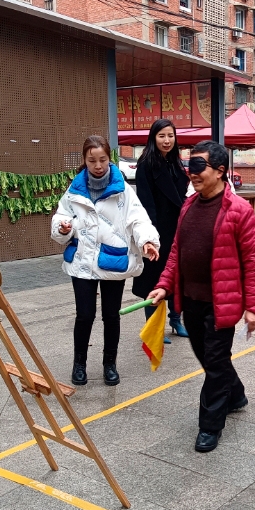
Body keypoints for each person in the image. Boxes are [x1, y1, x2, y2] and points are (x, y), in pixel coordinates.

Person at [148, 140, 255, 452]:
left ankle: (210, 426)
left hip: (222, 303)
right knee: (209, 357)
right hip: (191, 300)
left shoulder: (239, 211)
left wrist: (253, 308)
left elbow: (253, 263)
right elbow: (176, 252)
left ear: (220, 170)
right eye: (190, 166)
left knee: (213, 363)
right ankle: (236, 394)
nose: (192, 173)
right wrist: (164, 285)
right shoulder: (189, 206)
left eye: (198, 166)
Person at [52, 136, 160, 386]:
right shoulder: (75, 189)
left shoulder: (123, 190)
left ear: (109, 159)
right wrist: (64, 227)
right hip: (81, 261)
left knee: (112, 315)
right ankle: (79, 365)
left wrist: (147, 241)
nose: (97, 165)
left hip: (112, 259)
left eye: (102, 159)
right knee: (84, 315)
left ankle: (109, 364)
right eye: (92, 160)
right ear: (84, 161)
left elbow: (138, 219)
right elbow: (60, 217)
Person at [132, 119, 190, 342]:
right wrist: (151, 234)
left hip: (178, 229)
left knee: (178, 277)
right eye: (162, 136)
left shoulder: (176, 163)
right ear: (153, 138)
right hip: (156, 231)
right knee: (154, 279)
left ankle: (176, 321)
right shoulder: (146, 164)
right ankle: (154, 327)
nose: (167, 141)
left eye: (170, 136)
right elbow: (145, 202)